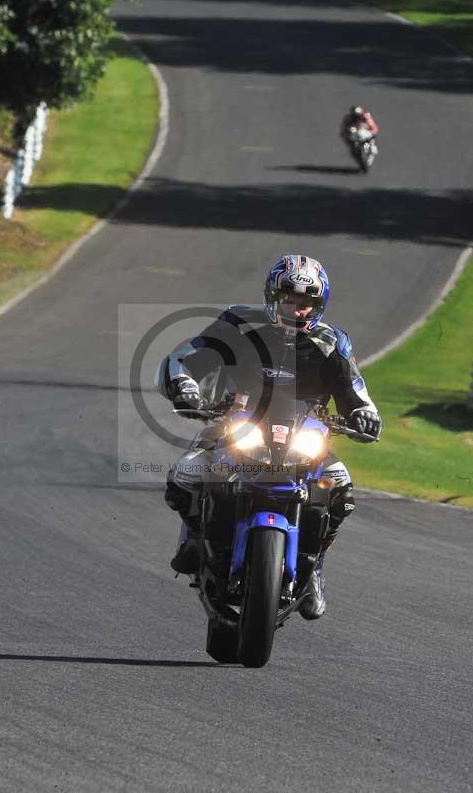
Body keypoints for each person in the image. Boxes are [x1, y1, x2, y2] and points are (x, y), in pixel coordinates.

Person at [155, 254, 382, 619]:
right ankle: (197, 537)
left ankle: (316, 565)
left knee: (341, 489)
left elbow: (355, 390)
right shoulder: (238, 323)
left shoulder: (332, 342)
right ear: (271, 296)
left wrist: (364, 416)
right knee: (185, 475)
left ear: (318, 305)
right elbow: (184, 358)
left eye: (306, 302)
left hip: (304, 437)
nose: (297, 308)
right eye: (289, 299)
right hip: (236, 426)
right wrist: (185, 388)